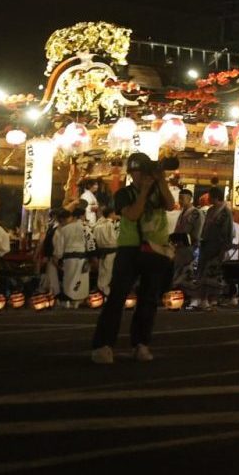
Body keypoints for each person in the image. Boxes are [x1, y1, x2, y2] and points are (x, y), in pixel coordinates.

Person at [89, 152, 175, 364]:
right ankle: (103, 345)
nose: (139, 177)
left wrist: (161, 179)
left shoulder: (158, 190)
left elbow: (171, 205)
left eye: (143, 172)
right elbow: (133, 214)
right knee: (117, 297)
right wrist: (144, 191)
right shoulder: (123, 194)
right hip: (130, 249)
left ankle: (141, 344)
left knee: (149, 300)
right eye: (135, 173)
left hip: (155, 250)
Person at [195, 188, 235, 308]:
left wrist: (224, 247)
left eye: (211, 196)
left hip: (218, 245)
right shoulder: (211, 210)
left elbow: (228, 231)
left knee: (214, 272)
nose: (209, 199)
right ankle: (204, 298)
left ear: (216, 197)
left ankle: (213, 298)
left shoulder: (226, 212)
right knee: (204, 272)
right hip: (207, 244)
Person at [54, 204, 91, 306]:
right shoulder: (86, 228)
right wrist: (91, 256)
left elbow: (59, 248)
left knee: (69, 279)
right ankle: (79, 301)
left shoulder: (64, 229)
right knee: (81, 279)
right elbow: (90, 244)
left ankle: (69, 300)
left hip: (69, 258)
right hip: (82, 257)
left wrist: (58, 257)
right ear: (82, 216)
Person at [168, 189, 199, 290]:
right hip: (180, 248)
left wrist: (194, 246)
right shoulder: (182, 213)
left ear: (190, 199)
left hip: (189, 248)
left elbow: (198, 232)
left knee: (186, 275)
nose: (180, 201)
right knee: (179, 274)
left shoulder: (195, 212)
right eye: (179, 198)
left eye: (182, 198)